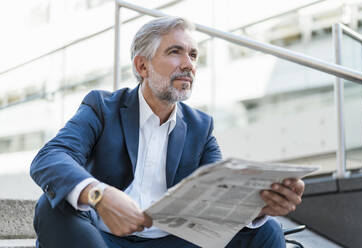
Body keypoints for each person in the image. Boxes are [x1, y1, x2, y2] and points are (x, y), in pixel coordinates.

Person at [30, 16, 304, 248]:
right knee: (51, 207)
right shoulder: (102, 107)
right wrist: (99, 195)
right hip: (101, 238)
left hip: (173, 240)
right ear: (142, 66)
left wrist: (257, 207)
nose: (188, 64)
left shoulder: (201, 126)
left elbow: (218, 198)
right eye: (175, 52)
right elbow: (51, 157)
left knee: (267, 231)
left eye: (193, 54)